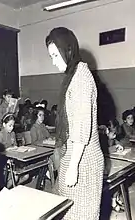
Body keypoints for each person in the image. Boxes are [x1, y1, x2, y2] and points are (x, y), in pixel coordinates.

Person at [46, 27, 104, 220]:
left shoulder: (80, 78)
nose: (53, 62)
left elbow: (81, 128)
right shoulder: (75, 75)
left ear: (67, 50)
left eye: (55, 55)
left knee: (81, 215)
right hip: (75, 157)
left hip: (83, 161)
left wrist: (73, 167)